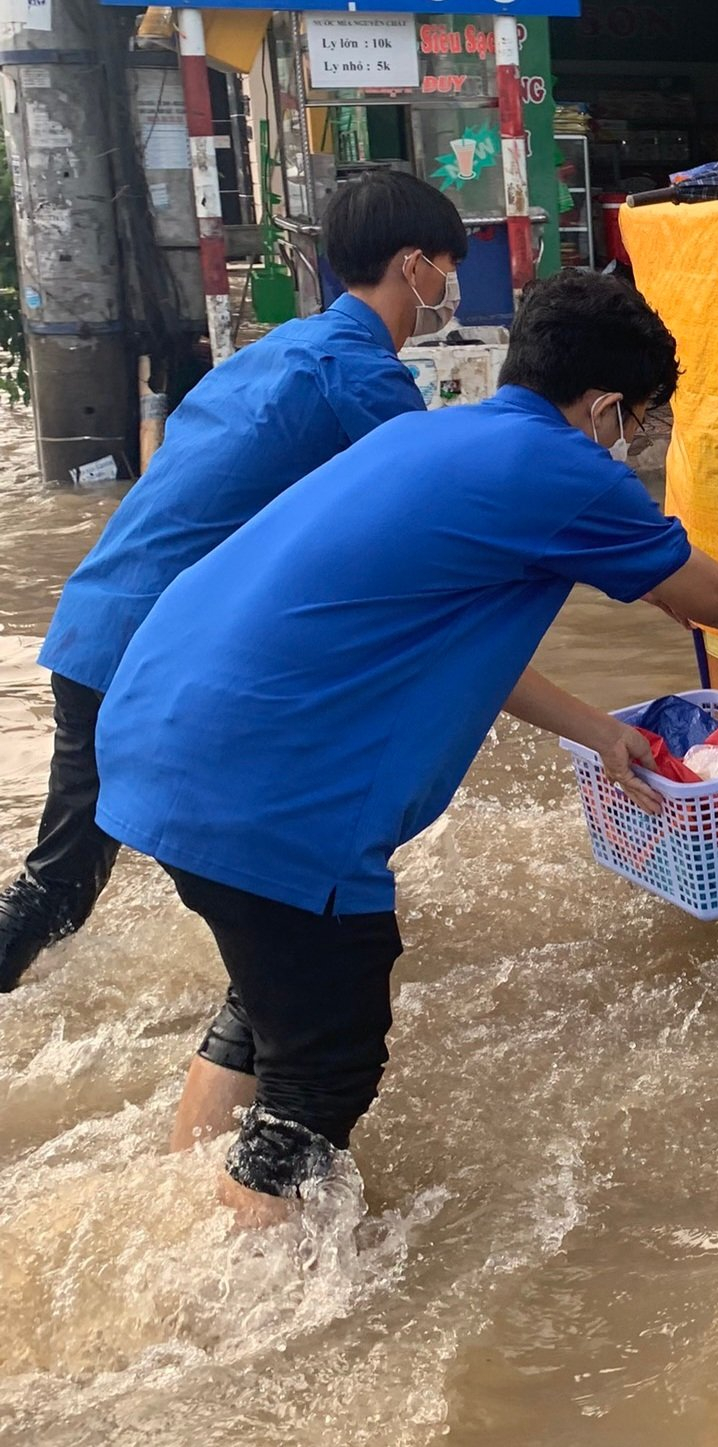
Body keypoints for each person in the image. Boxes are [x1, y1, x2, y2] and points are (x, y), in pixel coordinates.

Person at [89, 272, 718, 1223]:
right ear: (603, 407)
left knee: (268, 999)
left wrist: (603, 730)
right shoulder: (565, 468)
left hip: (154, 734)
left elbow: (451, 643)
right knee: (326, 1065)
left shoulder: (433, 433)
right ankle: (227, 1305)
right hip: (260, 785)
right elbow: (708, 598)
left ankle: (189, 1203)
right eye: (637, 420)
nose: (632, 441)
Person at [0, 170, 470, 993]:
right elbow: (439, 528)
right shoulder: (363, 376)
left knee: (68, 877)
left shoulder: (279, 349)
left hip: (92, 625)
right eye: (445, 263)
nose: (449, 284)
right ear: (411, 266)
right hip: (154, 653)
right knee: (243, 878)